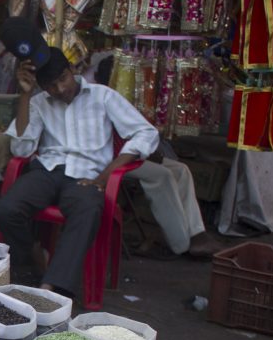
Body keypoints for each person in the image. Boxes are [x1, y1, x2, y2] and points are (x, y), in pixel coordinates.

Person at [0, 47, 160, 296]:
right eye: (51, 86)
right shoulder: (39, 102)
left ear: (72, 70)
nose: (60, 89)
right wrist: (25, 97)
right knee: (6, 209)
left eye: (62, 79)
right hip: (48, 171)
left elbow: (146, 132)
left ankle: (52, 288)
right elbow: (21, 148)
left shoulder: (103, 96)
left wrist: (106, 175)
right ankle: (35, 256)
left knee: (87, 209)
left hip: (88, 175)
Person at [91, 55, 221, 258]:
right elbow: (114, 145)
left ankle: (196, 233)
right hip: (111, 161)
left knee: (181, 170)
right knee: (162, 176)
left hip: (129, 154)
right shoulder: (99, 100)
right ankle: (181, 243)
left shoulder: (126, 98)